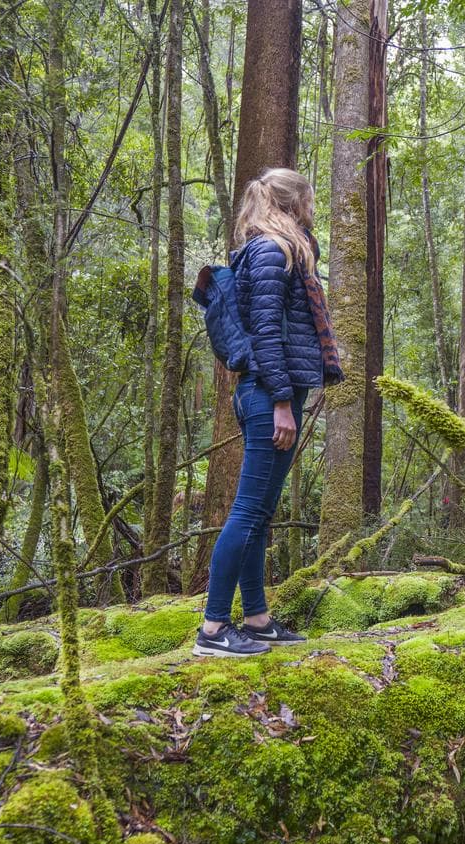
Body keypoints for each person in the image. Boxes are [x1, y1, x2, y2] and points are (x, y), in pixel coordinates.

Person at [193, 168, 340, 657]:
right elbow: (266, 334)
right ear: (294, 202)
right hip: (265, 394)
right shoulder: (273, 251)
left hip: (277, 391)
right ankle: (213, 630)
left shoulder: (284, 250)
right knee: (247, 510)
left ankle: (255, 618)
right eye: (310, 199)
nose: (313, 208)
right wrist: (280, 401)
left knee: (261, 512)